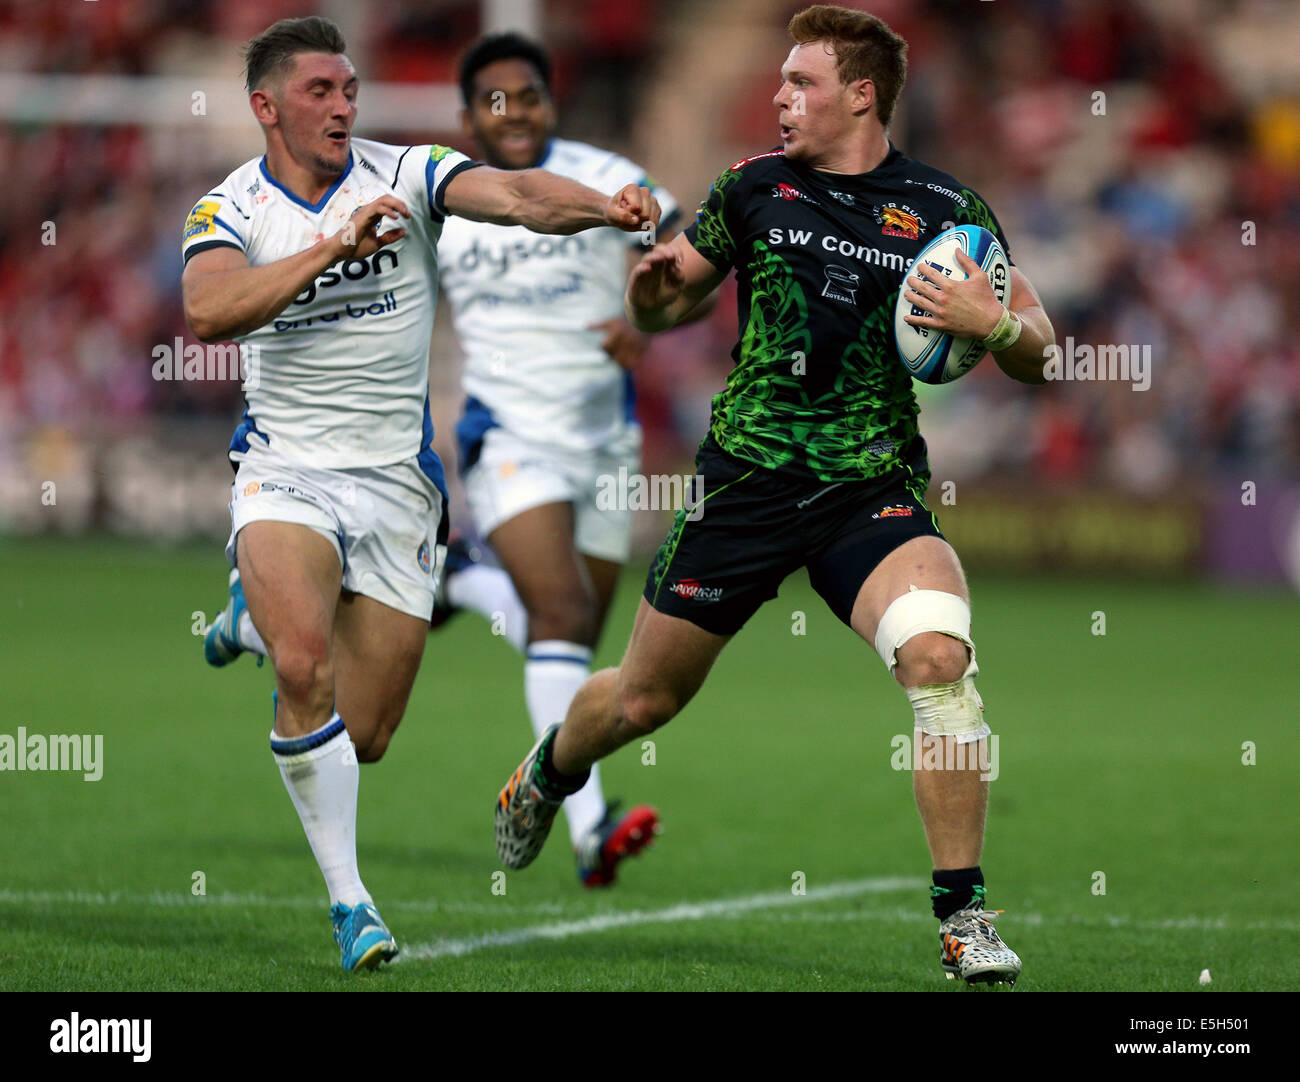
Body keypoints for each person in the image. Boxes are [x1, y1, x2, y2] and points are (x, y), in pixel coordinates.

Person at [494, 3, 1054, 986]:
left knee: (938, 658)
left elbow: (1041, 354)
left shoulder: (945, 208)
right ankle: (549, 768)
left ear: (862, 94)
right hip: (743, 486)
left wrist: (992, 322)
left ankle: (964, 917)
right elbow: (668, 301)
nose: (779, 95)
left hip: (867, 491)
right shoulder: (752, 187)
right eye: (780, 80)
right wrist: (652, 285)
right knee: (641, 696)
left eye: (800, 82)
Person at [185, 15, 659, 972]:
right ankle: (352, 903)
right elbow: (206, 310)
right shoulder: (228, 207)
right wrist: (331, 248)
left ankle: (246, 620)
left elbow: (520, 194)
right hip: (286, 469)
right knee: (304, 668)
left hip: (399, 486)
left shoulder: (406, 174)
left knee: (364, 735)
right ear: (265, 107)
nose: (344, 104)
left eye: (350, 87)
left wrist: (608, 208)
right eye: (320, 90)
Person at [430, 32, 706, 887]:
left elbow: (689, 253)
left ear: (552, 102)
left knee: (578, 634)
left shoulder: (601, 172)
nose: (515, 113)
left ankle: (464, 582)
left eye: (530, 96)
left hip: (604, 440)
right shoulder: (444, 198)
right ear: (470, 114)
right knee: (557, 616)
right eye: (496, 100)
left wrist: (652, 317)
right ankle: (585, 823)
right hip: (507, 432)